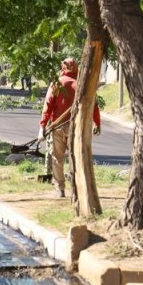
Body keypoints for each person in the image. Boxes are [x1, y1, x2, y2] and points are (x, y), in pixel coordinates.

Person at [39, 58, 101, 197]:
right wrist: (97, 123)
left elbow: (47, 105)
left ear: (62, 67)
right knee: (77, 158)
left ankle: (60, 189)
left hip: (58, 127)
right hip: (78, 128)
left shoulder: (57, 83)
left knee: (57, 158)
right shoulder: (83, 84)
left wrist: (42, 126)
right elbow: (94, 105)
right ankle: (78, 190)